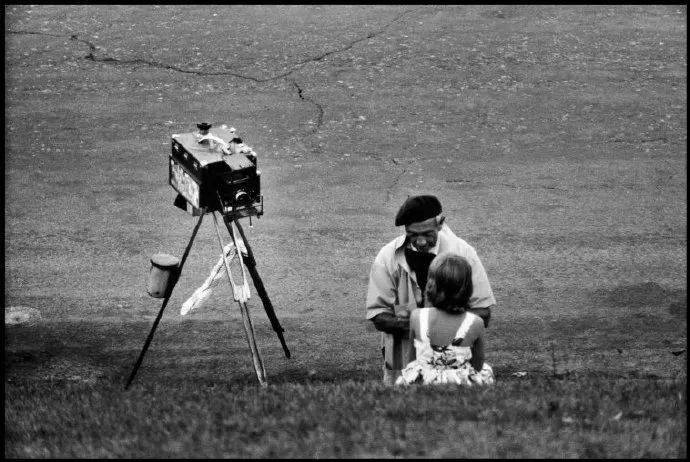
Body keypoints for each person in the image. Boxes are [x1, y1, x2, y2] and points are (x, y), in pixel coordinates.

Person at [366, 194, 496, 385]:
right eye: (412, 234)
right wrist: (427, 327)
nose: (420, 242)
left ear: (440, 223)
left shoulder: (464, 253)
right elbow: (377, 315)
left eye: (427, 234)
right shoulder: (387, 257)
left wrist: (428, 326)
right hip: (401, 361)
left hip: (456, 365)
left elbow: (483, 312)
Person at [395, 253, 494, 386]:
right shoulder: (475, 322)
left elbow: (412, 360)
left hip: (425, 385)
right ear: (467, 288)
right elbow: (478, 365)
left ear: (430, 286)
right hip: (461, 387)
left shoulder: (417, 316)